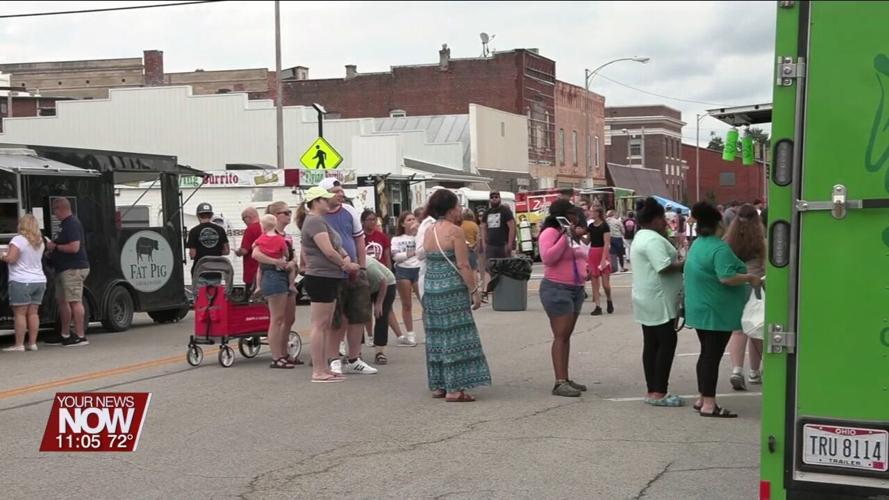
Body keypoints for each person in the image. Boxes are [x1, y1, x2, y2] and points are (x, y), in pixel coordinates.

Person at [684, 201, 761, 418]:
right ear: (719, 224)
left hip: (700, 308)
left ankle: (702, 398)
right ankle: (709, 404)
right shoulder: (719, 248)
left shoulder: (698, 244)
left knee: (705, 354)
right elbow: (726, 277)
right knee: (712, 357)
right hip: (716, 311)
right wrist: (750, 277)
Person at [422, 189, 490, 402]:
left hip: (432, 287)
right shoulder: (455, 231)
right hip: (451, 289)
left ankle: (439, 384)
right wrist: (474, 291)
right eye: (458, 206)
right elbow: (463, 264)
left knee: (436, 335)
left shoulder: (429, 230)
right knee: (455, 335)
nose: (460, 210)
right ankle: (454, 389)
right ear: (451, 209)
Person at [317, 177, 377, 375]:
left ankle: (354, 358)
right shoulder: (319, 216)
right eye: (336, 191)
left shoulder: (350, 211)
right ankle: (334, 357)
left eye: (341, 191)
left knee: (358, 314)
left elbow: (359, 240)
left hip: (354, 270)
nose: (341, 194)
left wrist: (361, 267)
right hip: (332, 272)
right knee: (336, 317)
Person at [630, 198, 685, 407]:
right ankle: (659, 390)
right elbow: (663, 266)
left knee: (651, 344)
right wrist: (685, 264)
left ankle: (652, 389)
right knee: (666, 343)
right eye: (662, 218)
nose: (665, 222)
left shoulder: (641, 236)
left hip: (646, 297)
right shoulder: (652, 240)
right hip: (658, 300)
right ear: (653, 220)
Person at [300, 187, 357, 382]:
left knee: (325, 325)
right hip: (320, 276)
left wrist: (345, 259)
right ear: (316, 201)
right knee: (319, 324)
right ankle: (318, 370)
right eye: (324, 199)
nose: (328, 202)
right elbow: (328, 251)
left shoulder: (321, 220)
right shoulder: (314, 221)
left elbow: (337, 247)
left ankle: (324, 367)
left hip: (329, 276)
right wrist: (345, 264)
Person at [538, 199, 589, 397]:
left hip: (575, 288)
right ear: (562, 216)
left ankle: (565, 377)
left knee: (566, 335)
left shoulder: (570, 235)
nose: (576, 217)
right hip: (557, 288)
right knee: (560, 335)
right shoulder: (550, 233)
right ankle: (559, 381)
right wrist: (564, 237)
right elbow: (548, 257)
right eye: (572, 214)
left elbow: (579, 254)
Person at [723, 204, 767, 390]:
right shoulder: (761, 242)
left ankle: (736, 370)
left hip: (735, 288)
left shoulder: (728, 241)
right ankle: (754, 372)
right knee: (756, 330)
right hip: (755, 287)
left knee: (738, 331)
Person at [252, 201, 302, 366]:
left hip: (287, 276)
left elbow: (291, 255)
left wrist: (292, 262)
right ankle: (277, 356)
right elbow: (256, 254)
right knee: (277, 318)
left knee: (289, 318)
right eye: (285, 213)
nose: (289, 215)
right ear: (275, 217)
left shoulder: (286, 236)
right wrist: (276, 262)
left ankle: (284, 352)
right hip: (274, 276)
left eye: (289, 212)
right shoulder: (266, 236)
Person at [46, 198, 90, 347]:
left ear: (61, 209)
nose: (54, 213)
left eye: (55, 210)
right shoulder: (64, 225)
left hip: (73, 268)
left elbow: (74, 247)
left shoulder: (72, 223)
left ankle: (80, 336)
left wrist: (55, 247)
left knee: (74, 301)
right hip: (62, 268)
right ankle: (64, 334)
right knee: (62, 302)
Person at [2, 214, 46, 352]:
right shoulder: (40, 241)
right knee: (33, 313)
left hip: (21, 281)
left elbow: (12, 259)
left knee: (20, 314)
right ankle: (32, 343)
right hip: (39, 280)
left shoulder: (18, 240)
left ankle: (19, 344)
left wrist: (2, 256)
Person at [390, 212, 421, 347]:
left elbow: (424, 250)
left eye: (413, 219)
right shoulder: (397, 239)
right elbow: (396, 256)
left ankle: (429, 332)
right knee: (407, 304)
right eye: (409, 220)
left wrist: (417, 233)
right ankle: (410, 334)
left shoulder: (419, 236)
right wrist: (412, 253)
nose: (412, 221)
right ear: (403, 223)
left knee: (425, 302)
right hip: (403, 270)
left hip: (418, 268)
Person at [365, 256, 401, 365]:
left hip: (386, 283)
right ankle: (356, 355)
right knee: (358, 317)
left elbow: (383, 281)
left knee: (380, 315)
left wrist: (379, 303)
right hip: (366, 286)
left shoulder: (368, 265)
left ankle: (379, 352)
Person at [479, 191, 515, 292]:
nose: (494, 198)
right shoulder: (487, 212)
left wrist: (510, 243)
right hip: (491, 245)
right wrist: (484, 243)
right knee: (488, 268)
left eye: (496, 197)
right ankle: (486, 290)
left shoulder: (505, 211)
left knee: (505, 268)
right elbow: (483, 228)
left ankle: (506, 289)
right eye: (492, 197)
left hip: (503, 244)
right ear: (489, 199)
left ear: (499, 198)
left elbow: (511, 227)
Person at [186, 202, 230, 285]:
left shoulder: (193, 231)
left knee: (200, 296)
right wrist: (215, 252)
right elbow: (227, 251)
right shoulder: (220, 230)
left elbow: (193, 254)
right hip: (216, 271)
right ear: (211, 215)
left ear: (198, 215)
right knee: (215, 296)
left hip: (200, 271)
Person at [586, 207, 613, 315]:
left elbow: (606, 243)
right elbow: (587, 240)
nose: (590, 213)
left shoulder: (604, 226)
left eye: (592, 211)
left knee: (606, 284)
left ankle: (609, 299)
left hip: (602, 253)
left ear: (598, 213)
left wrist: (603, 259)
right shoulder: (591, 226)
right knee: (594, 282)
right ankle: (598, 306)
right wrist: (575, 235)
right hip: (592, 253)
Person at [235, 206, 261, 291]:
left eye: (243, 219)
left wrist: (237, 252)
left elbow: (244, 250)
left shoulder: (250, 229)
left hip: (252, 270)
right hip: (265, 270)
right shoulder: (265, 227)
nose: (244, 222)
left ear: (248, 217)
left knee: (253, 299)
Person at [461, 209, 480, 277]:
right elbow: (478, 240)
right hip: (472, 250)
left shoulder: (459, 225)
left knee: (463, 269)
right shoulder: (474, 225)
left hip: (462, 250)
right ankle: (475, 286)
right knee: (473, 270)